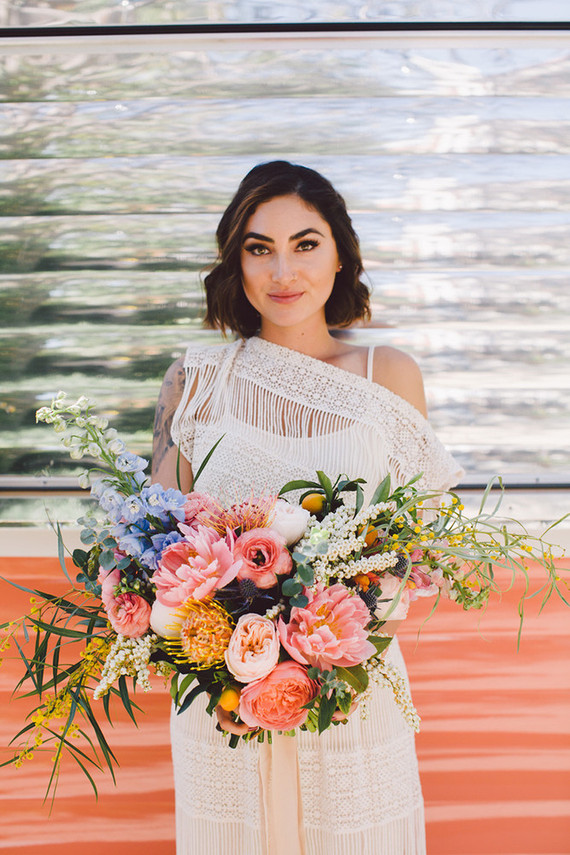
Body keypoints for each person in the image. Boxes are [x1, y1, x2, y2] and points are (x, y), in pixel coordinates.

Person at [151, 161, 463, 855]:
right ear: (235, 262)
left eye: (306, 243)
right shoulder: (194, 381)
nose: (283, 270)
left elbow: (421, 549)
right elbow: (162, 557)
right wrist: (226, 657)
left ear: (341, 253)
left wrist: (329, 649)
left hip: (351, 691)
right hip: (221, 704)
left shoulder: (389, 374)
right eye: (259, 247)